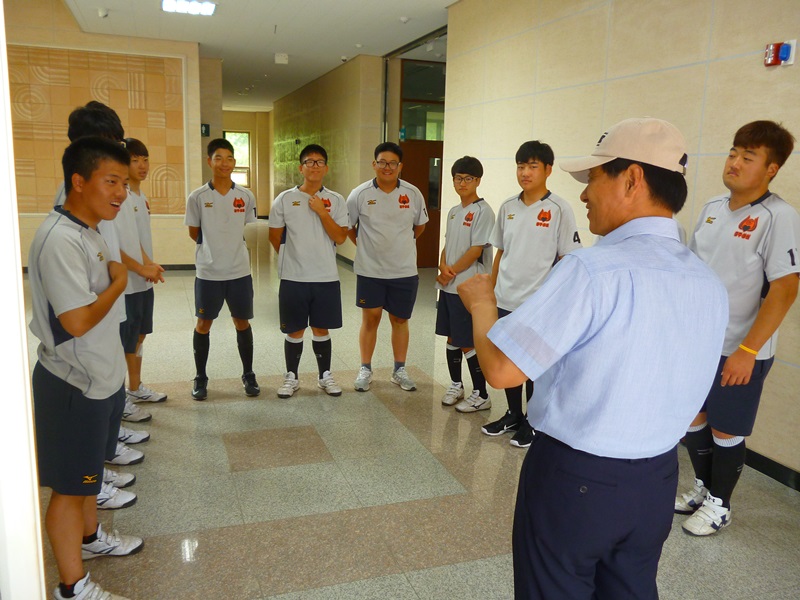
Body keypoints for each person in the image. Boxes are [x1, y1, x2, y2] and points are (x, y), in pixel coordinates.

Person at [458, 117, 728, 599]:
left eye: (594, 179)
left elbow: (500, 370)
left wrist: (482, 306)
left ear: (632, 179)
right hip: (657, 479)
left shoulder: (593, 270)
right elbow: (690, 403)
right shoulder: (705, 281)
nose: (584, 195)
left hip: (576, 480)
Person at [29, 136, 144, 600]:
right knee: (69, 489)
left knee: (86, 479)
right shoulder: (59, 240)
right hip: (72, 384)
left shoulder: (90, 228)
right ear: (78, 182)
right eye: (110, 181)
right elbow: (75, 321)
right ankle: (72, 588)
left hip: (97, 377)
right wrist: (119, 282)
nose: (121, 191)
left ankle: (91, 540)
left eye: (124, 182)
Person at [677, 120, 800, 536]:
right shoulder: (712, 208)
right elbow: (691, 271)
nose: (735, 162)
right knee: (693, 417)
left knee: (726, 427)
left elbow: (784, 288)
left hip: (741, 348)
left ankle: (720, 505)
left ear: (771, 169)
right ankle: (702, 487)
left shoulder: (777, 216)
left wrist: (747, 351)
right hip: (699, 342)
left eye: (748, 157)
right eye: (733, 152)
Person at [480, 141, 581, 448]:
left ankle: (534, 422)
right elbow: (500, 251)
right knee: (507, 358)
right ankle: (513, 414)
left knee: (533, 365)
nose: (525, 172)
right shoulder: (508, 206)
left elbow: (568, 259)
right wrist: (491, 290)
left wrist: (557, 303)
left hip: (538, 304)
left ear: (548, 170)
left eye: (532, 166)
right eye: (521, 166)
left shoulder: (559, 209)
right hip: (506, 298)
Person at [346, 142, 429, 392]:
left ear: (400, 166)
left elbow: (420, 225)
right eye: (382, 162)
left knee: (400, 319)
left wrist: (402, 244)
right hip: (370, 271)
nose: (387, 167)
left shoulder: (412, 193)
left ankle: (399, 369)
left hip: (404, 271)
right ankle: (365, 368)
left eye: (393, 163)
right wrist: (365, 246)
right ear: (374, 164)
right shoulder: (359, 194)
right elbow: (350, 228)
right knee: (370, 319)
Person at [269, 144, 349, 398]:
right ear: (300, 167)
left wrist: (322, 212)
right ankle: (291, 376)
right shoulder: (284, 199)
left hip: (325, 276)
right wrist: (292, 259)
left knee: (321, 328)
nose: (314, 166)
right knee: (294, 329)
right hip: (294, 277)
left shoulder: (336, 200)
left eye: (319, 161)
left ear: (326, 167)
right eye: (309, 161)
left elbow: (340, 236)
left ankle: (324, 376)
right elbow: (275, 237)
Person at [185, 138, 260, 400]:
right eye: (219, 158)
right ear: (209, 161)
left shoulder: (245, 196)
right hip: (208, 271)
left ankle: (248, 374)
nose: (224, 163)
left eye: (229, 158)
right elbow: (194, 232)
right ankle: (200, 377)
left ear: (234, 163)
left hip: (239, 271)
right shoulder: (197, 197)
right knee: (204, 323)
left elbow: (248, 228)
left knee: (242, 322)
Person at [436, 156, 495, 412]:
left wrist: (451, 271)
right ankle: (456, 384)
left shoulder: (483, 211)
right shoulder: (453, 211)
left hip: (469, 287)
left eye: (468, 178)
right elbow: (448, 245)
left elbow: (476, 249)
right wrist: (442, 266)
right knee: (452, 337)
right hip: (449, 285)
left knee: (468, 340)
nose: (462, 183)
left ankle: (481, 393)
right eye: (458, 178)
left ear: (478, 181)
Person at [115, 137, 168, 408]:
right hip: (126, 283)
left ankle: (134, 387)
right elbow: (116, 245)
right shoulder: (120, 198)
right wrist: (140, 267)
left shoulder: (139, 196)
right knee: (125, 339)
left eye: (145, 159)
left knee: (139, 334)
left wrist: (149, 264)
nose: (142, 165)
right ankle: (121, 394)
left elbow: (137, 240)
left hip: (142, 280)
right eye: (135, 160)